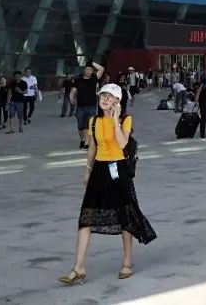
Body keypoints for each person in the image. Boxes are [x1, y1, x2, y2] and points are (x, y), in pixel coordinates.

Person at [58, 84, 154, 285]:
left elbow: (122, 143)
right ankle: (78, 267)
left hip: (118, 169)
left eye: (110, 97)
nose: (105, 99)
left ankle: (127, 263)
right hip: (99, 170)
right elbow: (92, 147)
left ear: (117, 101)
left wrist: (115, 121)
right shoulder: (93, 121)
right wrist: (87, 171)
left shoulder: (126, 119)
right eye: (103, 96)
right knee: (86, 218)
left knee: (125, 216)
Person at [71, 61, 105, 150]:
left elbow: (102, 69)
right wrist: (71, 98)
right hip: (80, 107)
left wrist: (92, 62)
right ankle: (83, 139)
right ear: (84, 70)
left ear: (92, 71)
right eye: (87, 69)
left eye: (90, 70)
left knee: (89, 125)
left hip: (92, 106)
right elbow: (73, 91)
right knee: (80, 126)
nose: (88, 71)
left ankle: (87, 142)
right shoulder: (78, 80)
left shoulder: (94, 79)